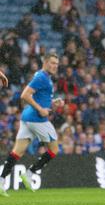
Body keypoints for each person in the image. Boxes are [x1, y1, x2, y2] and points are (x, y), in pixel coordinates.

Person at [0, 54, 64, 197]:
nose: (55, 66)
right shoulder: (41, 77)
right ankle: (30, 173)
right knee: (54, 149)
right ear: (46, 63)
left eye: (57, 64)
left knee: (17, 152)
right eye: (53, 63)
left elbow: (39, 98)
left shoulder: (44, 77)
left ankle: (1, 180)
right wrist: (41, 109)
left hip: (27, 118)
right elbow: (25, 95)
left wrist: (53, 103)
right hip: (37, 120)